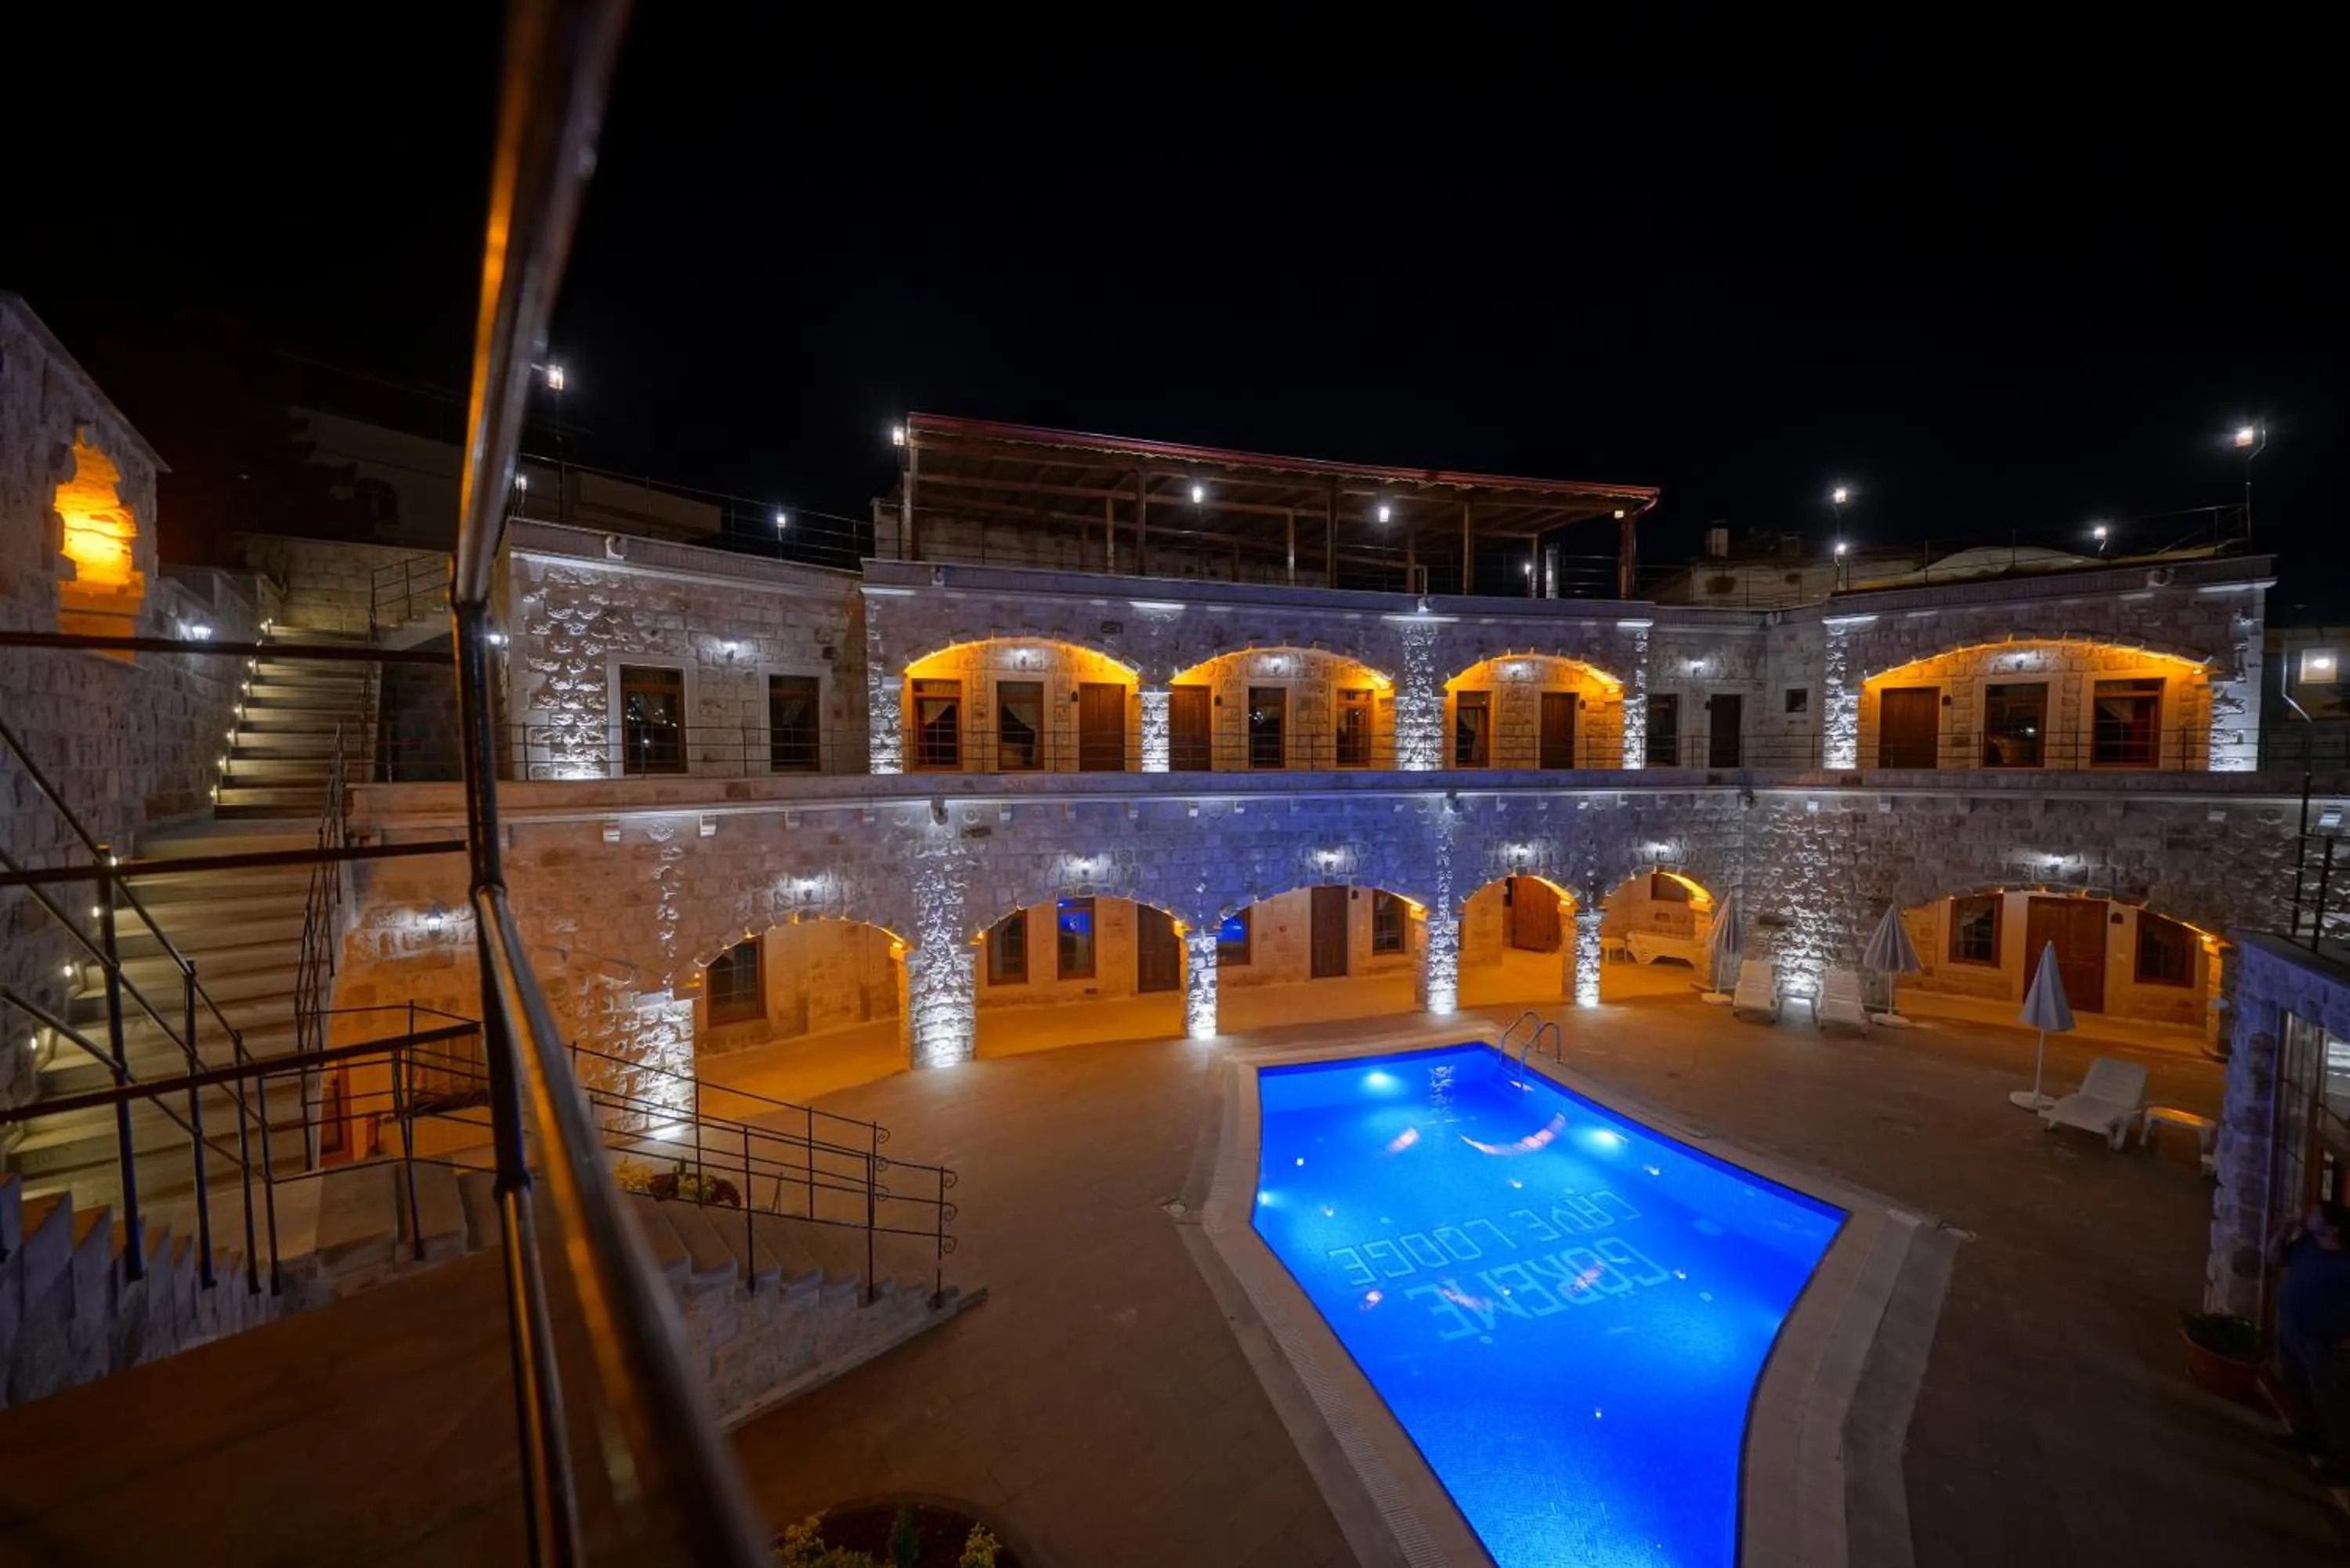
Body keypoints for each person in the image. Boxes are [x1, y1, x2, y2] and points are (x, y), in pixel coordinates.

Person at [2267, 1201, 2350, 1477]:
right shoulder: (2307, 1244)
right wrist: (2282, 1233)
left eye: (2315, 1214)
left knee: (2331, 1401)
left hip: (2325, 1343)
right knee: (2297, 1386)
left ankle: (2341, 1460)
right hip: (2293, 1332)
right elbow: (2275, 1260)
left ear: (2333, 1229)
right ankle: (2306, 1434)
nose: (2307, 1215)